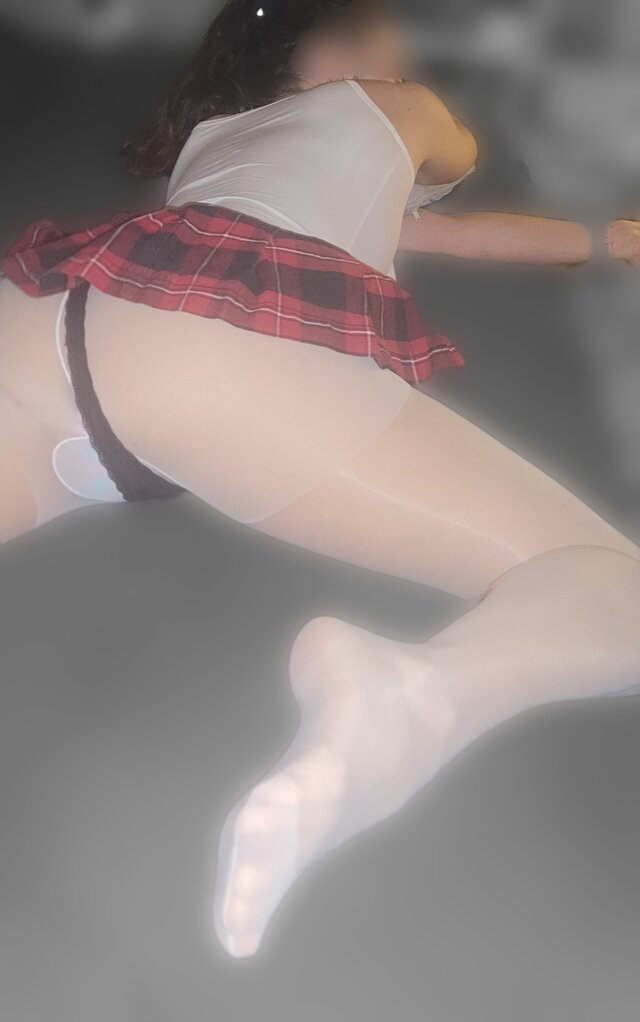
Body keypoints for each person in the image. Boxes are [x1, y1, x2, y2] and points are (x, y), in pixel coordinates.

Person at [1, 0, 639, 961]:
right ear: (329, 46)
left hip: (53, 318)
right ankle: (417, 695)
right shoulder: (400, 106)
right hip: (217, 354)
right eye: (389, 40)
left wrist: (608, 241)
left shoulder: (219, 137)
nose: (407, 59)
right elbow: (457, 163)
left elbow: (442, 234)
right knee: (613, 587)